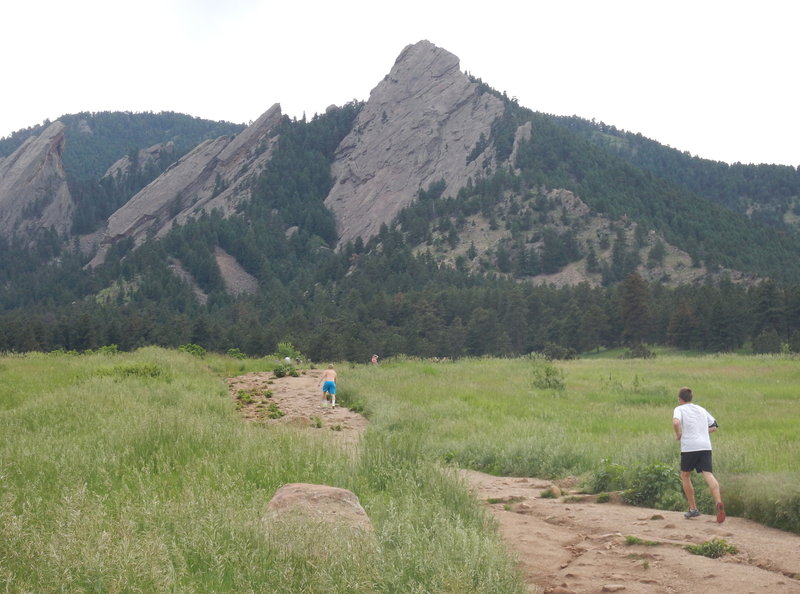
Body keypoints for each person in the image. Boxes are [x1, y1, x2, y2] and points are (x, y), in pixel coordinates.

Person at [672, 387, 725, 523]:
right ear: (691, 398)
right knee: (708, 474)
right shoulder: (701, 409)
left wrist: (678, 435)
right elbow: (714, 426)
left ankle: (693, 508)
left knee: (685, 475)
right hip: (705, 446)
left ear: (680, 399)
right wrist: (701, 431)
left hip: (689, 447)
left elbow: (676, 422)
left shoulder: (679, 409)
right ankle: (718, 502)